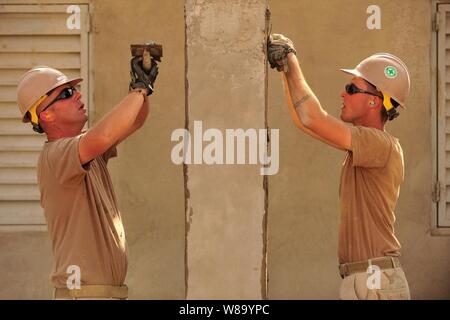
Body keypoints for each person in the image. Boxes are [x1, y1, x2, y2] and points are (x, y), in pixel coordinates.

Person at [267, 34, 411, 300]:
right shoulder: (365, 146)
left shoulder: (380, 144)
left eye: (352, 88)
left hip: (375, 280)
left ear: (374, 101)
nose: (343, 93)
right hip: (367, 279)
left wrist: (290, 56)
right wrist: (284, 70)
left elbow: (312, 116)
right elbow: (303, 121)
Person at [15, 55, 158, 299]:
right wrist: (138, 90)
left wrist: (142, 89)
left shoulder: (83, 151)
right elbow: (103, 136)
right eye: (66, 93)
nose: (77, 95)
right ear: (46, 115)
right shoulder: (57, 155)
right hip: (83, 295)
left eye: (75, 89)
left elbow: (135, 120)